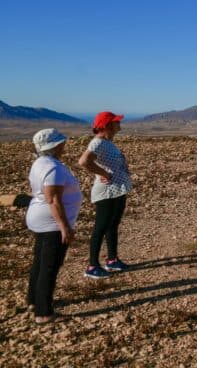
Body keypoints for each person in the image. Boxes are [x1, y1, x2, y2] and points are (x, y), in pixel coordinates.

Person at [26, 128, 83, 323]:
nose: (64, 145)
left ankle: (33, 299)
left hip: (41, 218)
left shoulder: (40, 163)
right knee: (50, 265)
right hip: (51, 222)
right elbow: (54, 200)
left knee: (40, 262)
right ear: (55, 145)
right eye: (61, 143)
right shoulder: (53, 168)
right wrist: (64, 227)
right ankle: (43, 312)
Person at [79, 111, 133, 279]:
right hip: (106, 192)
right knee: (100, 227)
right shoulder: (98, 143)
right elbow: (84, 162)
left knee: (112, 225)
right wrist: (103, 173)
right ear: (107, 126)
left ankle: (112, 260)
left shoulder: (108, 142)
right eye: (116, 122)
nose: (119, 124)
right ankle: (92, 266)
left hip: (117, 190)